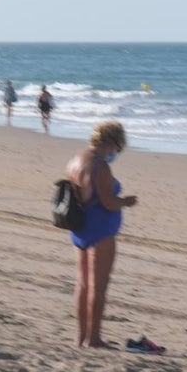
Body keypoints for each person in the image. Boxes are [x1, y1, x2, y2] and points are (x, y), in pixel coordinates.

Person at [66, 121, 138, 348]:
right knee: (98, 286)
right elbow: (108, 202)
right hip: (100, 230)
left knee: (82, 284)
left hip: (80, 228)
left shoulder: (77, 159)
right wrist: (125, 202)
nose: (117, 152)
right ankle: (94, 338)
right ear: (112, 142)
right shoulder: (100, 166)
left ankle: (81, 337)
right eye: (118, 147)